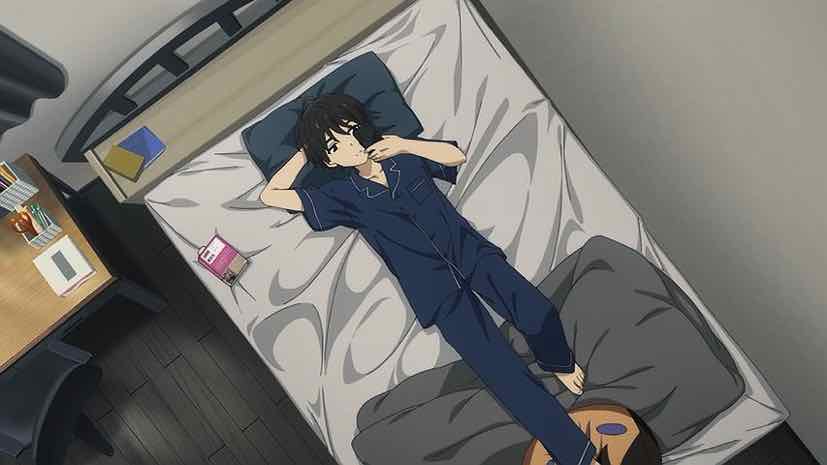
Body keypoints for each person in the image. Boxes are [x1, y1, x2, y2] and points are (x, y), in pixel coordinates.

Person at [259, 93, 597, 465]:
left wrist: (405, 144)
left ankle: (557, 360)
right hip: (436, 292)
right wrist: (308, 150)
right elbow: (271, 195)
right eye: (336, 146)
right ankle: (576, 455)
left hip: (472, 255)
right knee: (503, 374)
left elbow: (455, 157)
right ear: (329, 159)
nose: (350, 145)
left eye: (350, 132)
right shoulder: (342, 196)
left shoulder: (403, 158)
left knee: (536, 310)